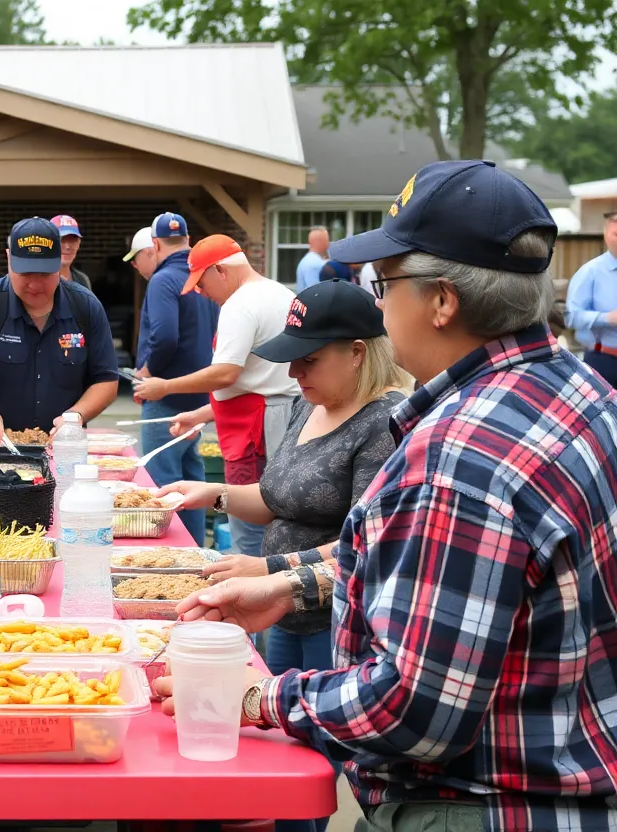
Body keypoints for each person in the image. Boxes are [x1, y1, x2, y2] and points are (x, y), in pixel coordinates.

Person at [167, 160, 617, 832]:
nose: (377, 305)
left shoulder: (459, 459)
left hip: (479, 806)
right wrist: (292, 585)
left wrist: (261, 696)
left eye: (384, 284)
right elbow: (459, 571)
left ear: (442, 301)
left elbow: (414, 710)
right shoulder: (584, 394)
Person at [160, 280, 407, 832]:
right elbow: (273, 501)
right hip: (279, 611)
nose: (295, 374)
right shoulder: (306, 405)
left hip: (333, 621)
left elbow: (364, 542)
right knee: (274, 749)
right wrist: (215, 493)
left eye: (309, 360)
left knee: (309, 771)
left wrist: (267, 569)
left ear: (358, 353)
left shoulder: (384, 424)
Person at [134, 235, 300, 561]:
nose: (200, 291)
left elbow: (227, 373)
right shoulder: (281, 293)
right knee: (266, 507)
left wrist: (165, 387)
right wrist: (201, 415)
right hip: (270, 418)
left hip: (255, 432)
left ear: (221, 270)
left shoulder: (240, 304)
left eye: (201, 282)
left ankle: (247, 580)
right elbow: (258, 379)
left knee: (244, 515)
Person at [0, 216, 119, 444]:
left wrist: (75, 416)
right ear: (8, 259)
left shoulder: (85, 306)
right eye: (26, 273)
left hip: (63, 449)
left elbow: (106, 380)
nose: (35, 285)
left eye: (45, 274)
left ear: (60, 263)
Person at [133, 212, 218, 541]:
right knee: (191, 483)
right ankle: (196, 552)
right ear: (188, 240)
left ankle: (174, 562)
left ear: (154, 245)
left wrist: (148, 372)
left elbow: (165, 337)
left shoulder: (163, 279)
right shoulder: (204, 279)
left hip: (165, 398)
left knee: (163, 488)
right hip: (198, 398)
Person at [565, 210, 617, 385]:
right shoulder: (590, 272)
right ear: (605, 234)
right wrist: (607, 318)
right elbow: (571, 317)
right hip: (604, 361)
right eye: (616, 233)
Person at [51, 213, 93, 289]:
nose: (67, 246)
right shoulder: (37, 280)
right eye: (61, 240)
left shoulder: (82, 279)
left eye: (72, 240)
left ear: (78, 243)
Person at [296, 226, 329, 291]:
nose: (328, 244)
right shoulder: (315, 263)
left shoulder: (307, 260)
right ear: (321, 242)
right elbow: (316, 293)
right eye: (327, 240)